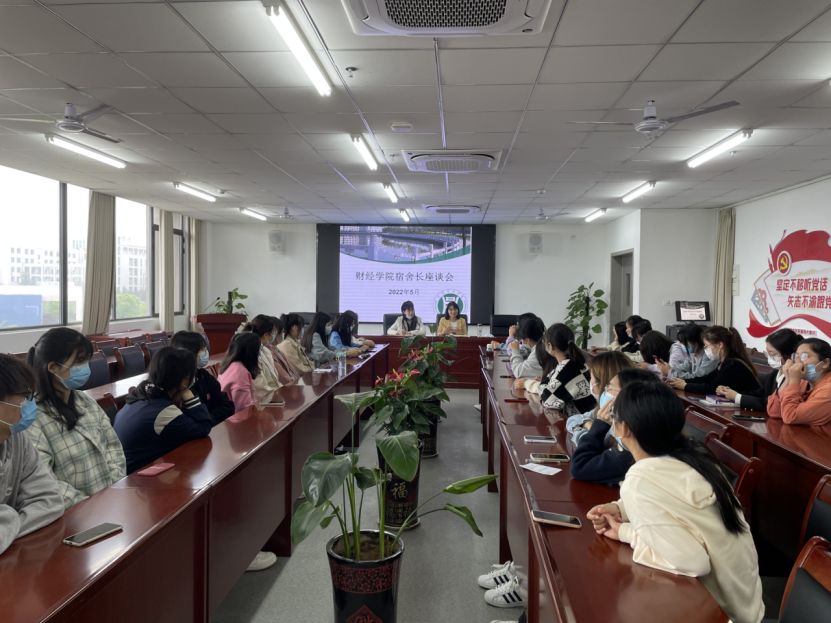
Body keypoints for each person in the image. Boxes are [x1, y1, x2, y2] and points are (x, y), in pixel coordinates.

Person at [586, 382, 763, 623]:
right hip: (747, 606)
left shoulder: (640, 479)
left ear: (623, 428)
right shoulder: (695, 456)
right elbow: (675, 501)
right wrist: (621, 508)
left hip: (719, 614)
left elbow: (693, 563)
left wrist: (625, 532)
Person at [26, 328, 126, 508]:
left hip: (111, 501)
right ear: (53, 367)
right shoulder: (33, 418)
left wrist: (113, 488)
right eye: (79, 362)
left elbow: (113, 446)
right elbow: (45, 480)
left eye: (86, 360)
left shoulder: (86, 401)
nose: (85, 368)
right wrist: (86, 505)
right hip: (74, 512)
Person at [0, 354, 63, 555]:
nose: (30, 405)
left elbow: (50, 500)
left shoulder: (17, 438)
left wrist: (8, 523)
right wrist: (13, 514)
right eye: (24, 397)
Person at [114, 347, 212, 474]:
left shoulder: (139, 396)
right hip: (134, 478)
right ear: (184, 381)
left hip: (126, 473)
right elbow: (203, 427)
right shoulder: (165, 412)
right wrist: (189, 395)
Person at [570, 368, 659, 485]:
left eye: (610, 387)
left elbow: (580, 466)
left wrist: (598, 427)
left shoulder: (629, 452)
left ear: (627, 395)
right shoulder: (651, 435)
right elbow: (573, 420)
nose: (605, 391)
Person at [715, 328, 803, 411]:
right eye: (767, 354)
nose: (769, 358)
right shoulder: (775, 373)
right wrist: (729, 392)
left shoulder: (795, 378)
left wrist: (737, 397)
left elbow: (768, 403)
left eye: (773, 354)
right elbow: (759, 393)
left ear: (790, 355)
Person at [522, 323, 595, 416]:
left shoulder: (566, 369)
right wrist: (544, 385)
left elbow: (547, 399)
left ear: (550, 346)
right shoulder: (575, 362)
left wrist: (527, 383)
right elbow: (548, 384)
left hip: (581, 421)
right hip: (586, 417)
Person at [565, 351, 633, 446]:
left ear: (602, 383)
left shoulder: (619, 421)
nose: (590, 382)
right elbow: (573, 419)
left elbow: (587, 445)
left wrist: (589, 431)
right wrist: (587, 423)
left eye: (591, 378)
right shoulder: (603, 409)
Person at [668, 326, 760, 395]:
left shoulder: (733, 364)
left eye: (707, 346)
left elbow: (711, 387)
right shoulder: (724, 362)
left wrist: (685, 386)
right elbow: (706, 379)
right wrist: (682, 382)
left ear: (720, 345)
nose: (705, 349)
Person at [170, 331, 236, 424]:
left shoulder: (203, 375)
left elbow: (228, 406)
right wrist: (208, 419)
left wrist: (209, 419)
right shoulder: (175, 385)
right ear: (189, 353)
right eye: (202, 349)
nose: (206, 352)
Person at [768, 337, 831, 425]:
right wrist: (788, 379)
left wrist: (793, 382)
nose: (798, 362)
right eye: (796, 356)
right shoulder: (803, 381)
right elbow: (774, 412)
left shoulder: (828, 390)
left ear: (825, 363)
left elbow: (790, 417)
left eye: (804, 356)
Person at [240, 315, 282, 405]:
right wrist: (278, 396)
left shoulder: (265, 350)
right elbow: (260, 387)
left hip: (272, 397)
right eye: (273, 333)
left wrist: (282, 392)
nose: (274, 336)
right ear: (266, 335)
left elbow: (275, 381)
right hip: (262, 402)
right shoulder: (250, 352)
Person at [218, 332, 262, 412]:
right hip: (237, 416)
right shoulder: (240, 371)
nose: (259, 355)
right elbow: (243, 407)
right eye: (258, 351)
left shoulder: (231, 364)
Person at [267, 316, 300, 386]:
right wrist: (294, 380)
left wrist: (296, 379)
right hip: (286, 386)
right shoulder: (269, 352)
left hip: (292, 383)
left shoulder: (276, 349)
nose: (282, 334)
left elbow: (292, 370)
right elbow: (284, 377)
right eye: (281, 332)